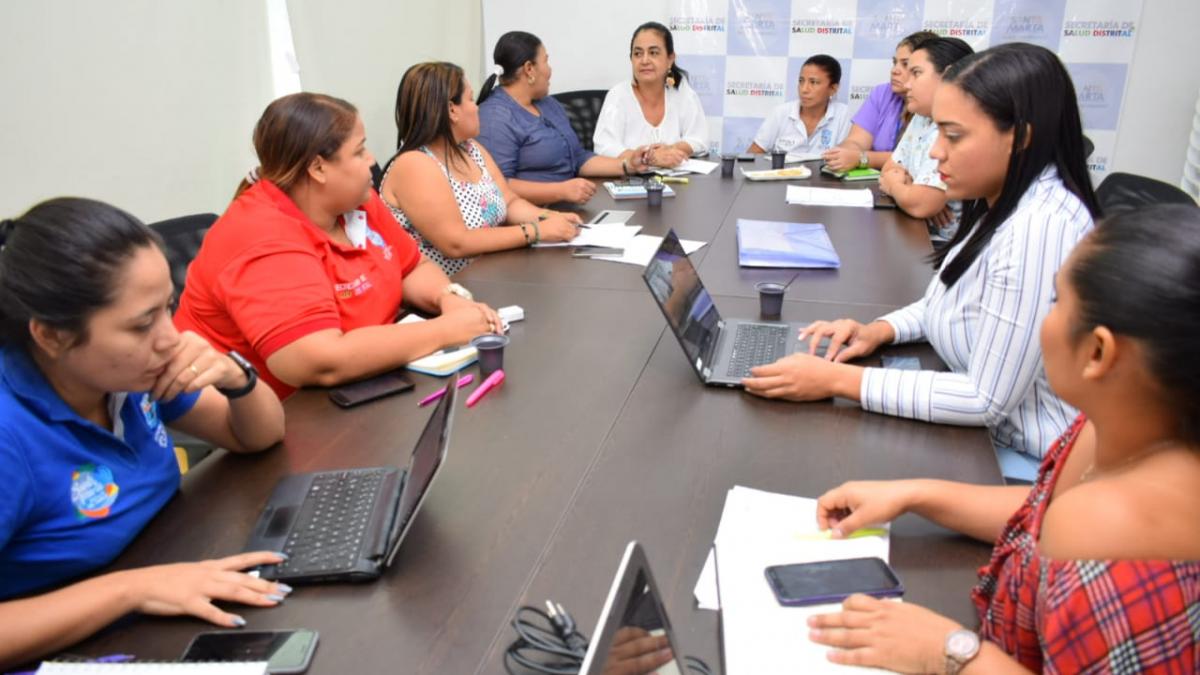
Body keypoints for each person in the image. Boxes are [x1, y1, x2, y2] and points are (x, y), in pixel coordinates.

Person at [806, 204, 1200, 674]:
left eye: (1055, 302)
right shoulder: (1121, 426)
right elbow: (1038, 516)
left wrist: (946, 651)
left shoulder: (1106, 524)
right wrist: (916, 494)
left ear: (1098, 352)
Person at [743, 43, 1101, 478]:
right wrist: (877, 331)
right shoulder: (1000, 200)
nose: (934, 152)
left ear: (1019, 136)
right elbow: (942, 301)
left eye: (953, 135)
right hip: (984, 438)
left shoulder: (1040, 226)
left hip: (1024, 467)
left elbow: (983, 400)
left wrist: (837, 381)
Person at [0, 198, 288, 668]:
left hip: (158, 590)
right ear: (51, 336)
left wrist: (238, 379)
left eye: (167, 308)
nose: (170, 337)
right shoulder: (9, 435)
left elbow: (257, 436)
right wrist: (132, 590)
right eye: (141, 324)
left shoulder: (129, 376)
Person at [175, 92, 502, 399]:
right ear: (318, 168)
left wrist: (449, 297)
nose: (371, 159)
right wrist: (444, 331)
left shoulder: (355, 200)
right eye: (359, 151)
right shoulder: (262, 236)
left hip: (363, 386)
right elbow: (317, 360)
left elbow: (411, 266)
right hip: (282, 418)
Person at [380, 62, 583, 276]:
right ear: (452, 110)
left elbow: (509, 202)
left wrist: (548, 216)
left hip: (494, 276)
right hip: (448, 294)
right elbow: (456, 243)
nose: (477, 107)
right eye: (470, 98)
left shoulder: (470, 148)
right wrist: (536, 231)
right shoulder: (414, 165)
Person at [475, 31, 650, 206]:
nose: (550, 70)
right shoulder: (494, 118)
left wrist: (628, 164)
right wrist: (561, 191)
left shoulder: (548, 104)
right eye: (546, 61)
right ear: (529, 69)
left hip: (569, 207)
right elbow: (498, 186)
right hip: (531, 217)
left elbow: (578, 158)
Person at [879, 36, 974, 241]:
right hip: (916, 233)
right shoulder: (921, 116)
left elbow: (921, 205)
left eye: (916, 73)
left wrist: (898, 187)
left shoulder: (955, 128)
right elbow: (889, 169)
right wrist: (914, 191)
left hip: (945, 247)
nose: (906, 84)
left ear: (949, 76)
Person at [593, 22, 709, 168]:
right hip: (629, 183)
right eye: (638, 54)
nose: (644, 60)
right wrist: (649, 158)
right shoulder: (618, 95)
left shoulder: (683, 93)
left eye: (653, 53)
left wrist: (669, 151)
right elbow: (604, 147)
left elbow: (699, 140)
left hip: (677, 185)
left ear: (670, 59)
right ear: (631, 59)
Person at [821, 30, 938, 171]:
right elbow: (856, 141)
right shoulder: (882, 93)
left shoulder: (933, 103)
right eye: (895, 63)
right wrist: (842, 154)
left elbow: (911, 159)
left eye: (905, 64)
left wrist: (861, 159)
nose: (895, 70)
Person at [747, 54, 850, 157]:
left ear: (833, 88)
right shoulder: (781, 113)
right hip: (783, 173)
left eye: (813, 82)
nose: (804, 89)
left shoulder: (844, 115)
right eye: (801, 81)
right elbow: (753, 155)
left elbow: (847, 158)